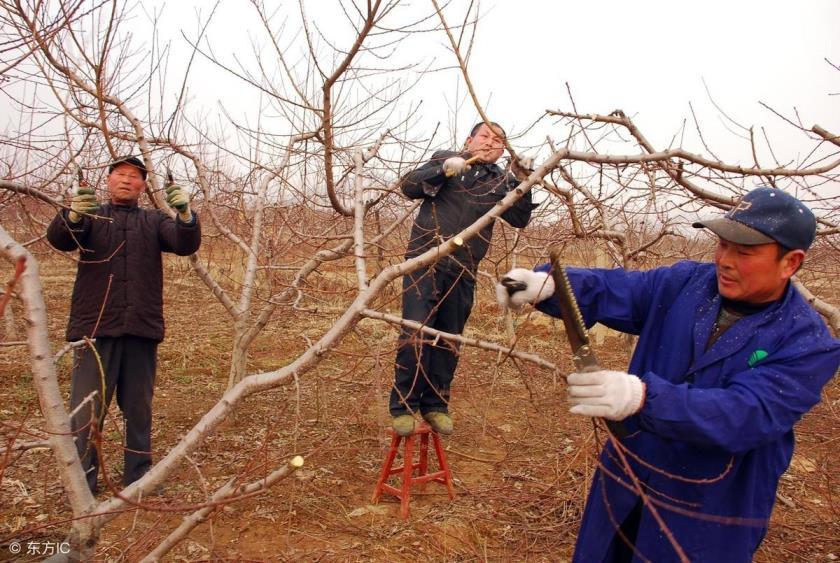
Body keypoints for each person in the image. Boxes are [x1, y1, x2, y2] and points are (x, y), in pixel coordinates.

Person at [497, 187, 840, 562]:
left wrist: (642, 397)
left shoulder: (806, 342)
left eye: (743, 252)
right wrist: (550, 286)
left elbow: (746, 413)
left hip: (711, 506)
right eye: (722, 245)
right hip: (630, 476)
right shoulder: (687, 284)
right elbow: (620, 288)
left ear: (790, 263)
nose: (725, 260)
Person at [47, 156, 201, 493]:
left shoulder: (154, 220)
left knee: (138, 408)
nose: (127, 180)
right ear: (108, 180)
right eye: (120, 175)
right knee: (87, 409)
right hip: (95, 328)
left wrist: (186, 216)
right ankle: (82, 484)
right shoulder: (91, 216)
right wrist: (72, 215)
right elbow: (60, 240)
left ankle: (138, 478)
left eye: (134, 176)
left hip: (141, 329)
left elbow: (184, 242)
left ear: (143, 186)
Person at [390, 121, 538, 436]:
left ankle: (435, 405)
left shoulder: (501, 181)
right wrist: (443, 170)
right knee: (416, 333)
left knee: (449, 340)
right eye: (485, 136)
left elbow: (519, 219)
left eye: (498, 140)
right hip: (425, 262)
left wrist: (524, 182)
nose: (490, 143)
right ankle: (403, 405)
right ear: (470, 140)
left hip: (464, 269)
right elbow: (409, 186)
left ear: (503, 150)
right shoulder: (446, 160)